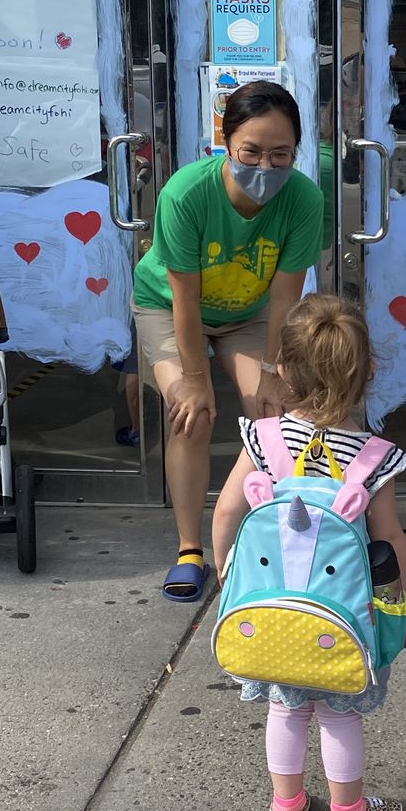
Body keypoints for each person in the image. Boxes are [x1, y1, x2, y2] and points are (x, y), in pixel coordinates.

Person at [209, 294, 406, 811]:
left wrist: (227, 573)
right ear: (368, 371)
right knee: (339, 714)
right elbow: (389, 538)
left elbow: (227, 512)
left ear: (282, 369)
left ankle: (287, 810)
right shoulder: (372, 457)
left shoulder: (264, 439)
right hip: (344, 616)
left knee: (286, 708)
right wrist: (405, 602)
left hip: (271, 613)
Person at [131, 81, 324, 601]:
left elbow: (285, 297)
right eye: (251, 152)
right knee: (191, 413)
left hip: (249, 313)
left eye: (281, 154)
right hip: (169, 306)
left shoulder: (305, 199)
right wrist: (194, 379)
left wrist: (272, 370)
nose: (265, 166)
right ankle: (190, 549)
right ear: (226, 142)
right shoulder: (186, 193)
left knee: (275, 412)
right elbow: (184, 298)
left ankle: (278, 535)